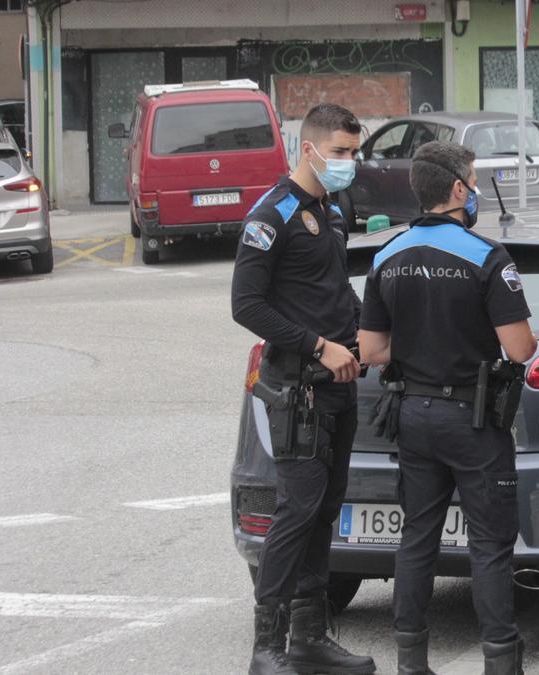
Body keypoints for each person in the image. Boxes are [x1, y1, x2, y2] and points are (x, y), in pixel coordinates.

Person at [357, 141, 537, 675]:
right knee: (488, 544)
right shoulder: (486, 256)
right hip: (473, 421)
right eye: (475, 180)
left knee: (417, 536)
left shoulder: (386, 254)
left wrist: (417, 345)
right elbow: (522, 348)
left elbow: (371, 351)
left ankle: (411, 663)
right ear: (459, 189)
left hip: (413, 415)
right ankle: (500, 663)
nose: (476, 189)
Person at [231, 103, 376, 675]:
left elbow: (334, 292)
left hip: (338, 385)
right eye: (340, 152)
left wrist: (365, 336)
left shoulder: (331, 209)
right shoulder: (273, 215)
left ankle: (310, 637)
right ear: (309, 148)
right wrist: (318, 345)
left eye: (354, 152)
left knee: (324, 510)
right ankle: (267, 647)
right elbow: (246, 306)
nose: (349, 163)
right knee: (296, 512)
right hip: (297, 389)